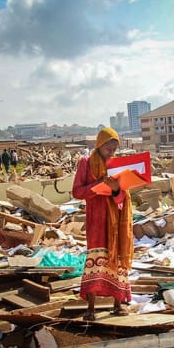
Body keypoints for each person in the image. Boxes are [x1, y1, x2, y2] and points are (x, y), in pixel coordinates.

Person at [72, 127, 133, 321]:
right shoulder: (86, 163)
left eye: (115, 149)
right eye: (109, 148)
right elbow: (77, 192)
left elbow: (123, 194)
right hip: (96, 221)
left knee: (116, 259)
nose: (111, 153)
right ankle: (91, 308)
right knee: (96, 260)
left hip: (116, 220)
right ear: (99, 145)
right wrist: (98, 188)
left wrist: (115, 189)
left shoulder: (117, 165)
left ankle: (118, 304)